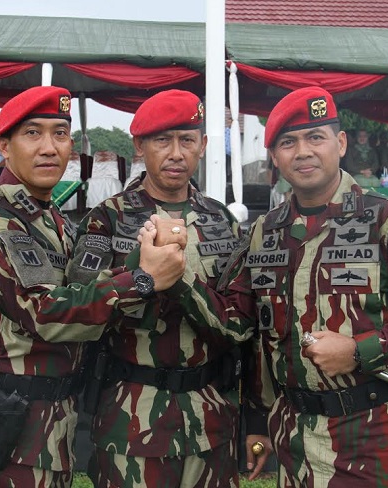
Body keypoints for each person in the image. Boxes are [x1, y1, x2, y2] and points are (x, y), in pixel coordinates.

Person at [207, 87, 388, 486]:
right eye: (288, 143)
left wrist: (359, 351)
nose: (303, 152)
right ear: (275, 157)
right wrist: (257, 419)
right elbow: (257, 336)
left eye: (315, 137)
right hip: (292, 438)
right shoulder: (264, 233)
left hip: (375, 437)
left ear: (340, 143)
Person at [0, 86, 187, 488]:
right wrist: (142, 279)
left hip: (51, 419)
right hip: (8, 422)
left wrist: (143, 255)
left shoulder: (51, 219)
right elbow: (45, 313)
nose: (49, 148)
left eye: (60, 134)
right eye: (33, 133)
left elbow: (83, 289)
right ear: (4, 146)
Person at [70, 89, 253, 487]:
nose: (176, 153)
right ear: (139, 145)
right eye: (162, 140)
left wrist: (178, 279)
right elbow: (78, 310)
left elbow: (240, 323)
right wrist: (140, 274)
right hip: (132, 420)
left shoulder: (221, 221)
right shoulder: (107, 220)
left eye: (187, 140)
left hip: (210, 420)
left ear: (203, 145)